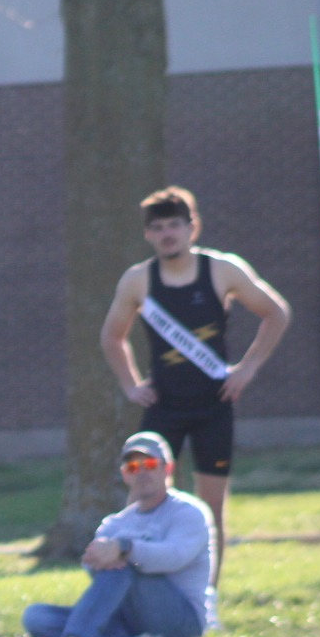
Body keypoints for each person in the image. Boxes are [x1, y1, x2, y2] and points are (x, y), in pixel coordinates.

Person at [99, 186, 291, 584]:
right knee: (141, 501)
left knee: (212, 508)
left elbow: (276, 313)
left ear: (192, 228)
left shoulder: (222, 270)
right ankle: (138, 590)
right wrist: (131, 385)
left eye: (174, 225)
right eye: (158, 228)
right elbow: (112, 337)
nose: (167, 234)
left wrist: (248, 368)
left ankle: (207, 598)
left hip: (214, 406)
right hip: (163, 407)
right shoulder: (138, 280)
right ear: (148, 234)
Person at [26, 433, 214, 637]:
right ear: (125, 474)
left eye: (150, 464)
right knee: (38, 617)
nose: (142, 472)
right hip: (127, 620)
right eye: (133, 466)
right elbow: (92, 564)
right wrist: (107, 556)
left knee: (124, 564)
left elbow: (175, 556)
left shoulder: (189, 512)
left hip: (180, 624)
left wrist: (125, 548)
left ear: (168, 468)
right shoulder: (115, 523)